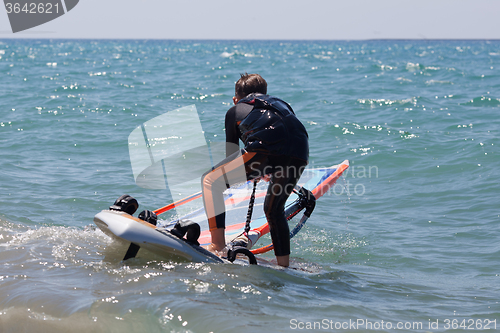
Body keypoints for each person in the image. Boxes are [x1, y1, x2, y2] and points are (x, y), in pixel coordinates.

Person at [201, 73, 309, 267]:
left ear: (236, 99)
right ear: (265, 94)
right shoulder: (280, 104)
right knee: (274, 209)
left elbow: (232, 155)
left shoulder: (235, 110)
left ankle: (217, 245)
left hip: (266, 148)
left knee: (210, 181)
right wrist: (262, 169)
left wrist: (257, 169)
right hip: (301, 151)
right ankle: (283, 265)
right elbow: (285, 136)